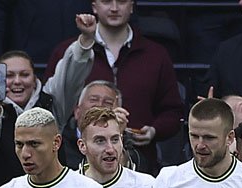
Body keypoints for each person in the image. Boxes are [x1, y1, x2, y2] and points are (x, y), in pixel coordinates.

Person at [45, 0, 185, 173]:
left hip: (139, 164)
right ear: (94, 6)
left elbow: (173, 111)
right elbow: (49, 106)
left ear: (132, 6)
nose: (114, 7)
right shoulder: (70, 51)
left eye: (121, 1)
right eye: (106, 1)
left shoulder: (156, 55)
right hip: (75, 162)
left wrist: (154, 131)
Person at [0, 14, 97, 188]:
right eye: (9, 75)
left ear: (34, 77)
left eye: (24, 74)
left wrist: (85, 40)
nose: (17, 81)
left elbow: (71, 74)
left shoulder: (52, 100)